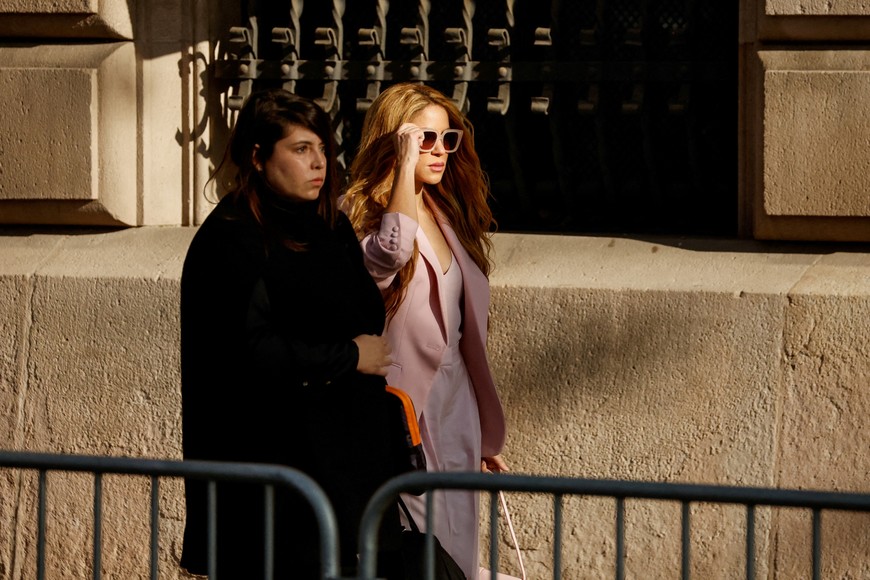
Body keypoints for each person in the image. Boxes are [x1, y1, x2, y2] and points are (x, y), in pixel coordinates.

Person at [179, 89, 406, 579]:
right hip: (275, 476)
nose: (319, 162)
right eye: (301, 149)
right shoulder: (232, 237)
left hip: (349, 469)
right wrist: (347, 357)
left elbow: (366, 312)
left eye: (323, 148)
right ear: (258, 157)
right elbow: (247, 350)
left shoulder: (331, 225)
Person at [342, 82, 509, 579]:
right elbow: (389, 256)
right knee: (422, 542)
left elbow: (464, 327)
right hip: (401, 412)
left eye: (446, 139)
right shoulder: (363, 216)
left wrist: (481, 431)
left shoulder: (446, 214)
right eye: (424, 140)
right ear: (395, 142)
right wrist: (401, 165)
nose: (438, 152)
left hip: (455, 403)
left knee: (459, 544)